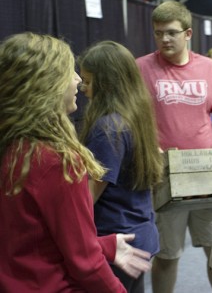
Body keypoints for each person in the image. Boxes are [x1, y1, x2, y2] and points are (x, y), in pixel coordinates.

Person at [0, 32, 153, 292]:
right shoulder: (56, 160)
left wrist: (102, 245)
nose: (78, 80)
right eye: (70, 72)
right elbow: (85, 263)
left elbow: (32, 237)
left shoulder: (14, 148)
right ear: (47, 85)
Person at [136, 1, 212, 293]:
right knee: (167, 255)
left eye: (171, 33)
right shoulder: (140, 68)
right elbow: (130, 117)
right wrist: (149, 147)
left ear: (188, 33)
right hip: (164, 176)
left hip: (207, 176)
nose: (164, 39)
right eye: (158, 33)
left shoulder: (210, 69)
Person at [77, 41, 164, 293]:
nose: (83, 88)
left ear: (107, 85)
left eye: (89, 82)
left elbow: (90, 195)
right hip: (138, 231)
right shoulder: (135, 115)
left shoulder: (108, 129)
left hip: (117, 238)